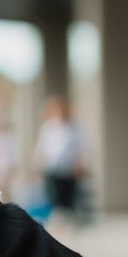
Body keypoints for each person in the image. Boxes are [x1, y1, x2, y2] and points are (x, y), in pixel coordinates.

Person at [34, 95, 86, 223]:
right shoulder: (48, 127)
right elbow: (41, 148)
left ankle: (69, 221)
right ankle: (57, 222)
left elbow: (80, 146)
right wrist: (37, 164)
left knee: (68, 197)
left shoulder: (73, 127)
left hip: (68, 168)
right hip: (52, 167)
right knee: (53, 197)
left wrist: (79, 164)